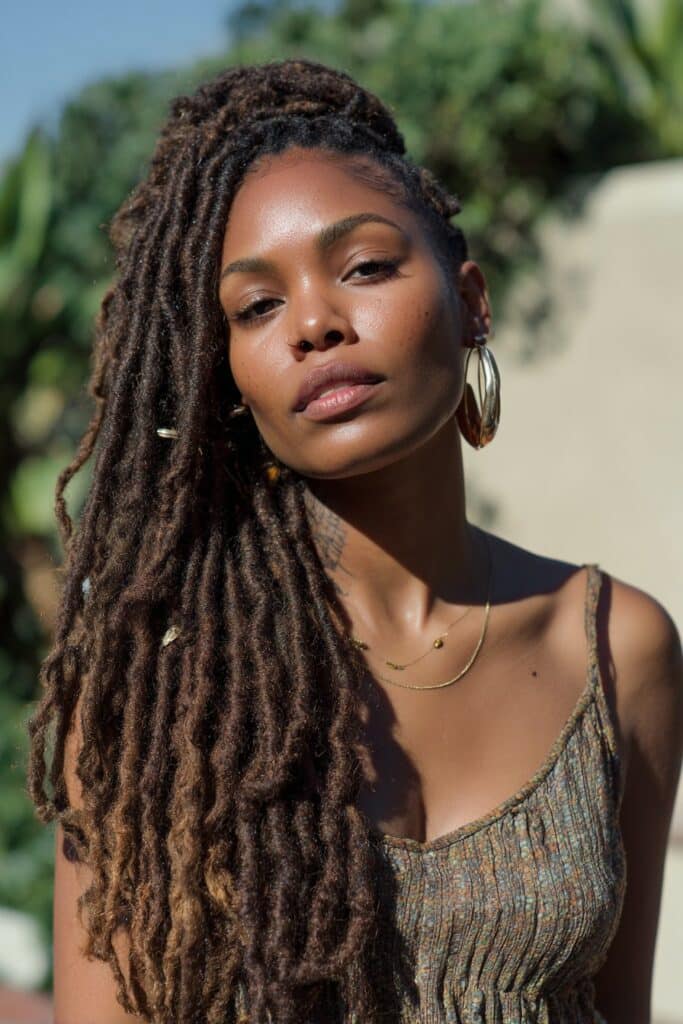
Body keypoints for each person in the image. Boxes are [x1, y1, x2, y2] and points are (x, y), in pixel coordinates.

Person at [26, 58, 682, 1024]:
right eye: (256, 307)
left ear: (471, 301)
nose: (314, 324)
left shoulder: (616, 647)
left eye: (365, 267)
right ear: (225, 372)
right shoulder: (158, 687)